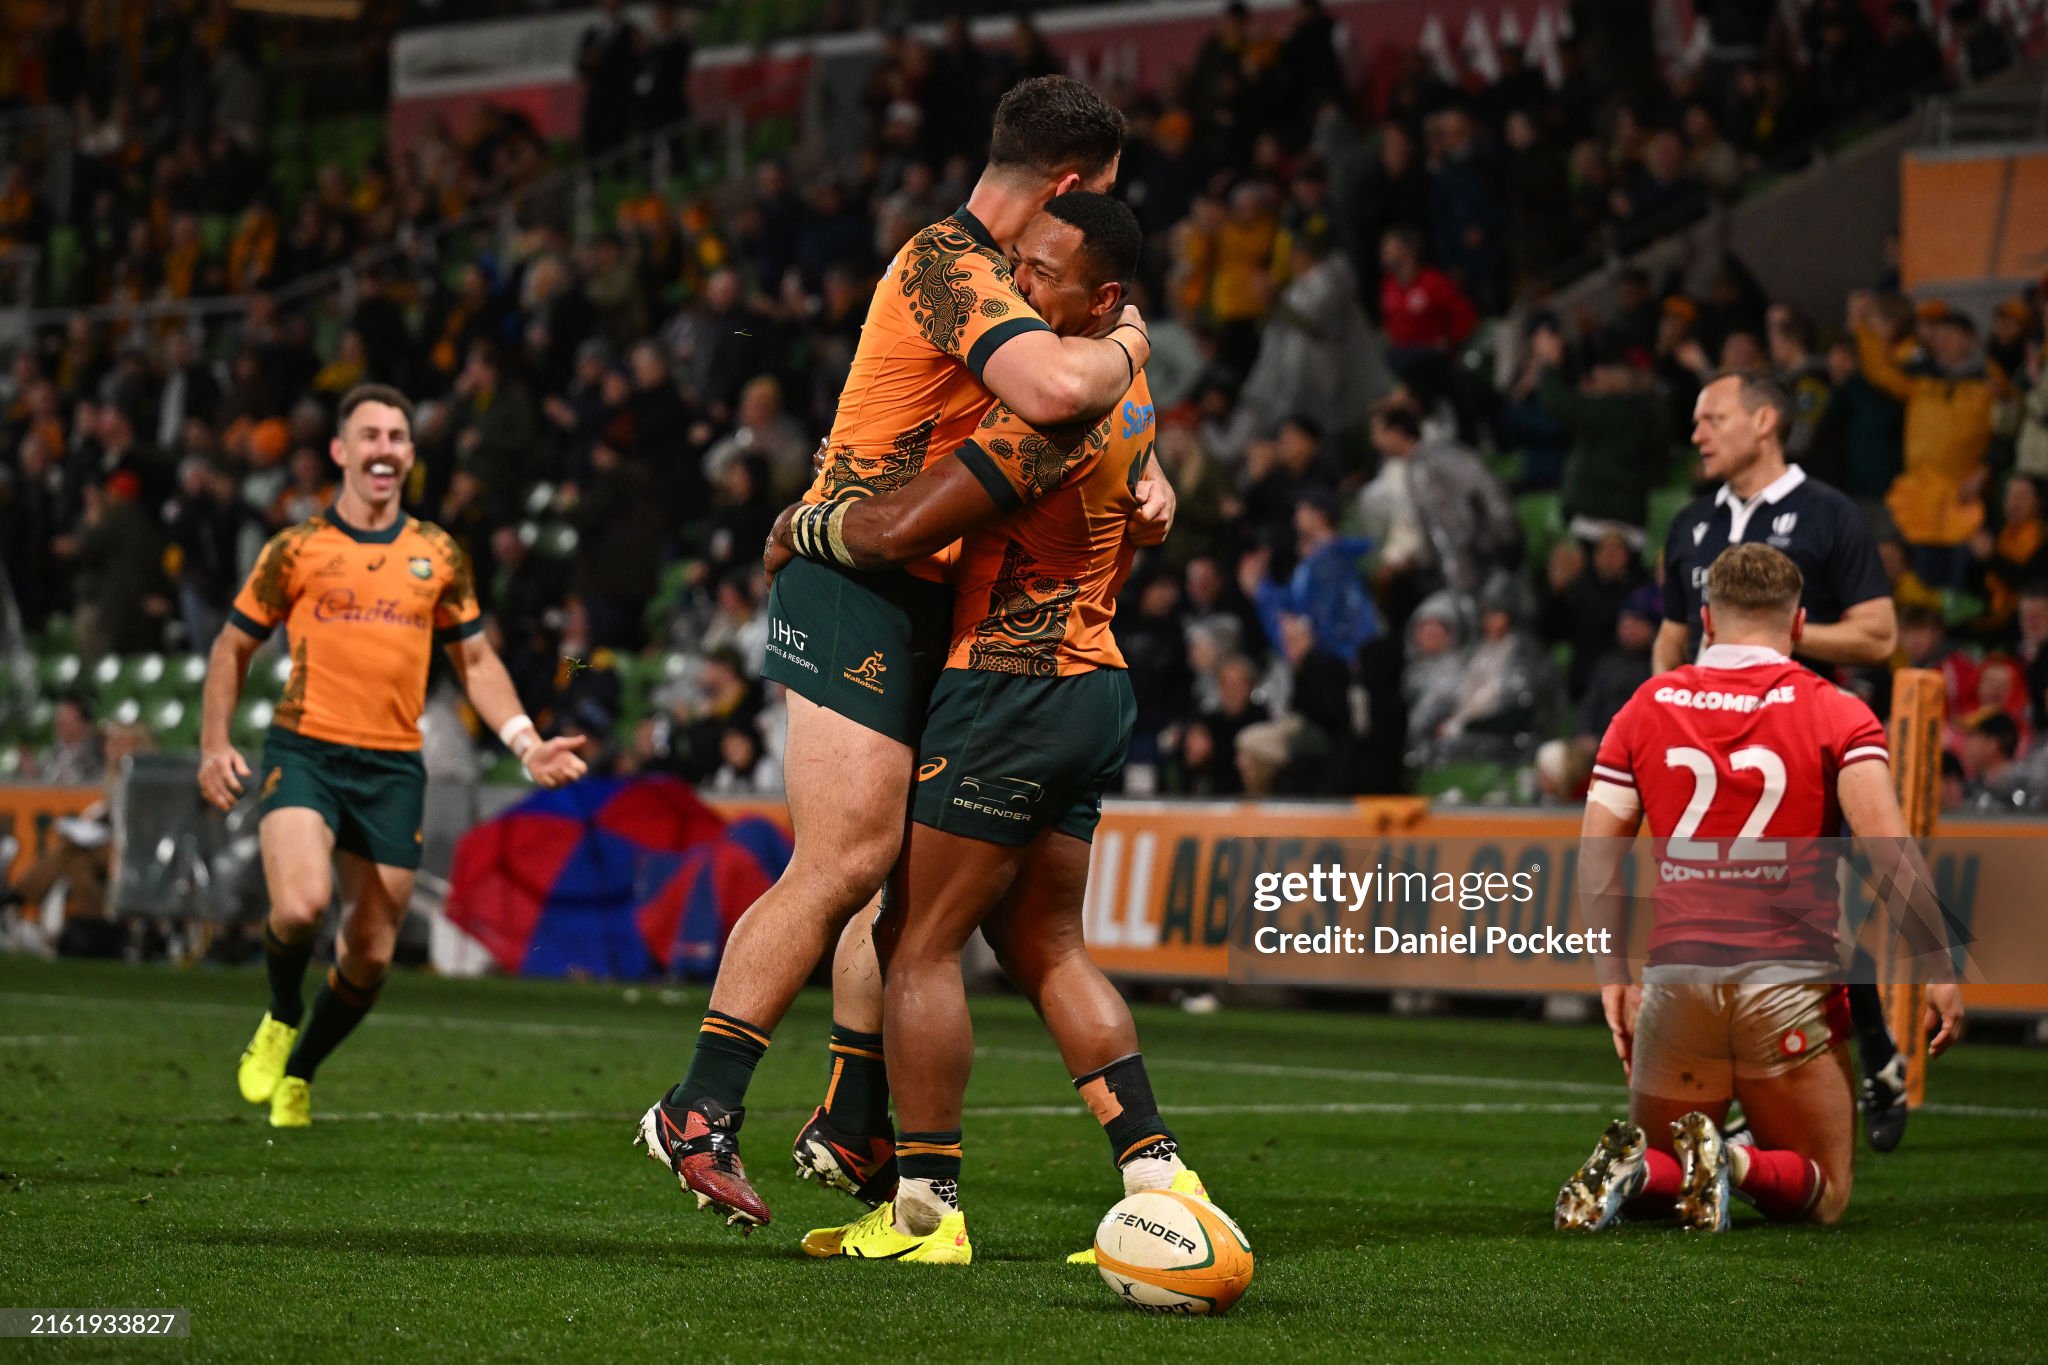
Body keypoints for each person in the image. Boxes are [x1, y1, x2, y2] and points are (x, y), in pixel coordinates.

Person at [634, 77, 1171, 1230]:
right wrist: (1134, 342)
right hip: (857, 575)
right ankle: (698, 1105)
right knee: (847, 855)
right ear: (1065, 189)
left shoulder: (1027, 294)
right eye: (1095, 204)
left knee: (903, 883)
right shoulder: (949, 263)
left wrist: (1147, 454)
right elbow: (1048, 386)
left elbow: (1079, 420)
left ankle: (853, 1116)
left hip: (930, 590)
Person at [767, 193, 1205, 1264]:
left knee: (913, 945)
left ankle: (925, 1210)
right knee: (1045, 943)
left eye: (1040, 272)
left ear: (1099, 296)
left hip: (1010, 686)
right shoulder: (1127, 375)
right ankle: (1158, 1170)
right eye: (1013, 263)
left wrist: (799, 523)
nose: (1016, 285)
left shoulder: (1050, 408)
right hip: (1093, 684)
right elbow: (1142, 502)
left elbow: (906, 526)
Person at [201, 386, 587, 1129]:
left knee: (371, 955)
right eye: (370, 435)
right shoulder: (297, 547)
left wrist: (526, 741)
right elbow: (232, 643)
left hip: (391, 768)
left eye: (398, 436)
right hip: (306, 749)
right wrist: (213, 742)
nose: (385, 448)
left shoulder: (437, 552)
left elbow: (475, 660)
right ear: (342, 452)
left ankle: (301, 1070)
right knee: (301, 903)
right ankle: (281, 1013)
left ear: (411, 454)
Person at [1556, 544, 1963, 1233]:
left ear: (1705, 619)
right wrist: (1938, 965)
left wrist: (1612, 973)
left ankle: (1639, 1165)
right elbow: (1888, 848)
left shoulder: (1645, 705)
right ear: (1800, 624)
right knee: (1826, 1190)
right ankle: (1736, 1161)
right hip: (1786, 983)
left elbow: (1598, 858)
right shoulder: (1837, 712)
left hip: (1678, 981)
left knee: (1663, 1170)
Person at [1653, 368, 1908, 1145]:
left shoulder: (1829, 514)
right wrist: (1661, 711)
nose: (1697, 432)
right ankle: (1847, 1065)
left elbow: (1880, 634)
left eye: (1712, 417)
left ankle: (1864, 1059)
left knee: (1801, 914)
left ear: (1765, 420)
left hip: (1801, 742)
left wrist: (1768, 638)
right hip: (1706, 748)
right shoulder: (1692, 523)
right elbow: (1672, 632)